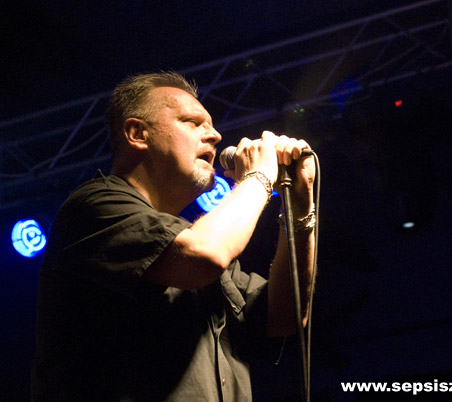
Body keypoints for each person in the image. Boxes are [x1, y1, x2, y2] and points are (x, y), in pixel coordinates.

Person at [31, 71, 316, 402]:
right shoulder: (94, 206)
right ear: (138, 134)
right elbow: (206, 254)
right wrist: (259, 176)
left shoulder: (195, 235)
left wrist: (300, 205)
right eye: (193, 123)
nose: (215, 135)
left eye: (211, 125)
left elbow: (285, 316)